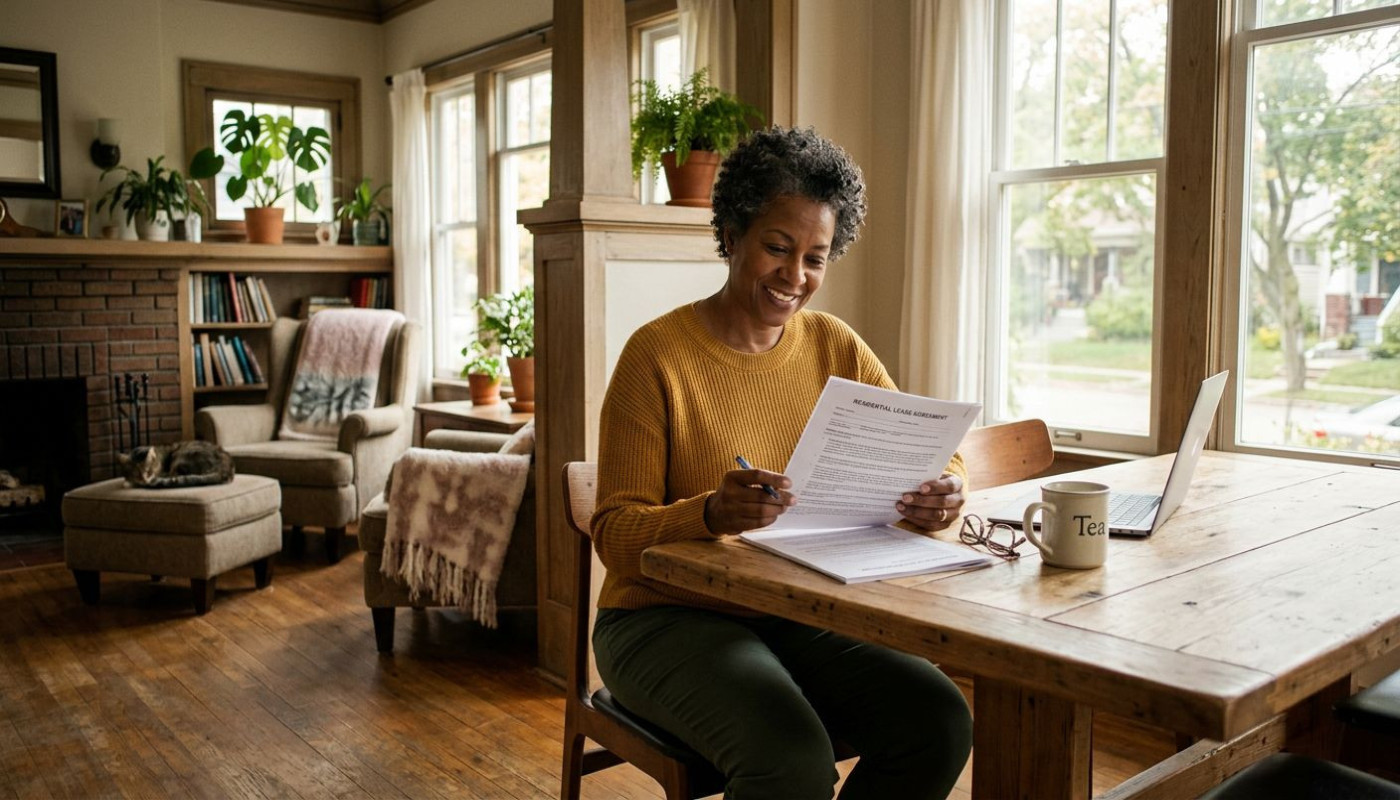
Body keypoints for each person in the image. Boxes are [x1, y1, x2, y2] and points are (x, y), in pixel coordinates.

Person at [590, 126, 973, 800]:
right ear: (733, 233)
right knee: (791, 762)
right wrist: (707, 513)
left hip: (799, 610)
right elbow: (614, 534)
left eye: (816, 257)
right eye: (777, 247)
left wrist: (946, 491)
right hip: (660, 620)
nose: (795, 277)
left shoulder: (834, 345)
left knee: (938, 722)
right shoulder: (656, 356)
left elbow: (938, 452)